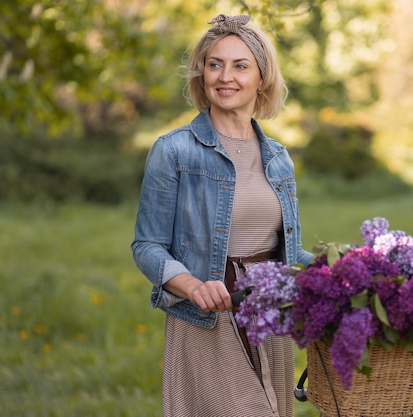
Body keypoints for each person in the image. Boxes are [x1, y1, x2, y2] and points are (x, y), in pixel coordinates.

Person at [131, 13, 313, 417]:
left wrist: (350, 275)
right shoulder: (174, 150)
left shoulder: (279, 158)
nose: (224, 76)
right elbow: (147, 245)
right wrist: (194, 287)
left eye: (240, 65)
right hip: (209, 318)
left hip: (270, 317)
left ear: (261, 78)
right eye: (215, 64)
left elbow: (291, 251)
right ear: (202, 74)